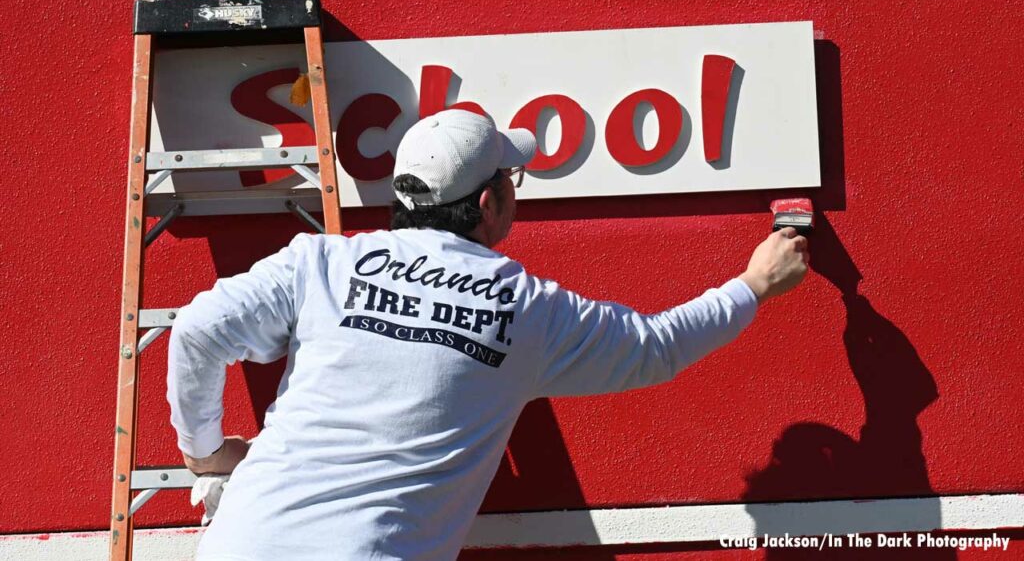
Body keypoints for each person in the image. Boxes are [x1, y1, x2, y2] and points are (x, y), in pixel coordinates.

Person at [167, 109, 809, 561]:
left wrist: (201, 453)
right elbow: (656, 347)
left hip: (239, 544)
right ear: (486, 204)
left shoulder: (321, 262)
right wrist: (754, 284)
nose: (513, 192)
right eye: (510, 179)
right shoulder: (525, 308)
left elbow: (195, 331)